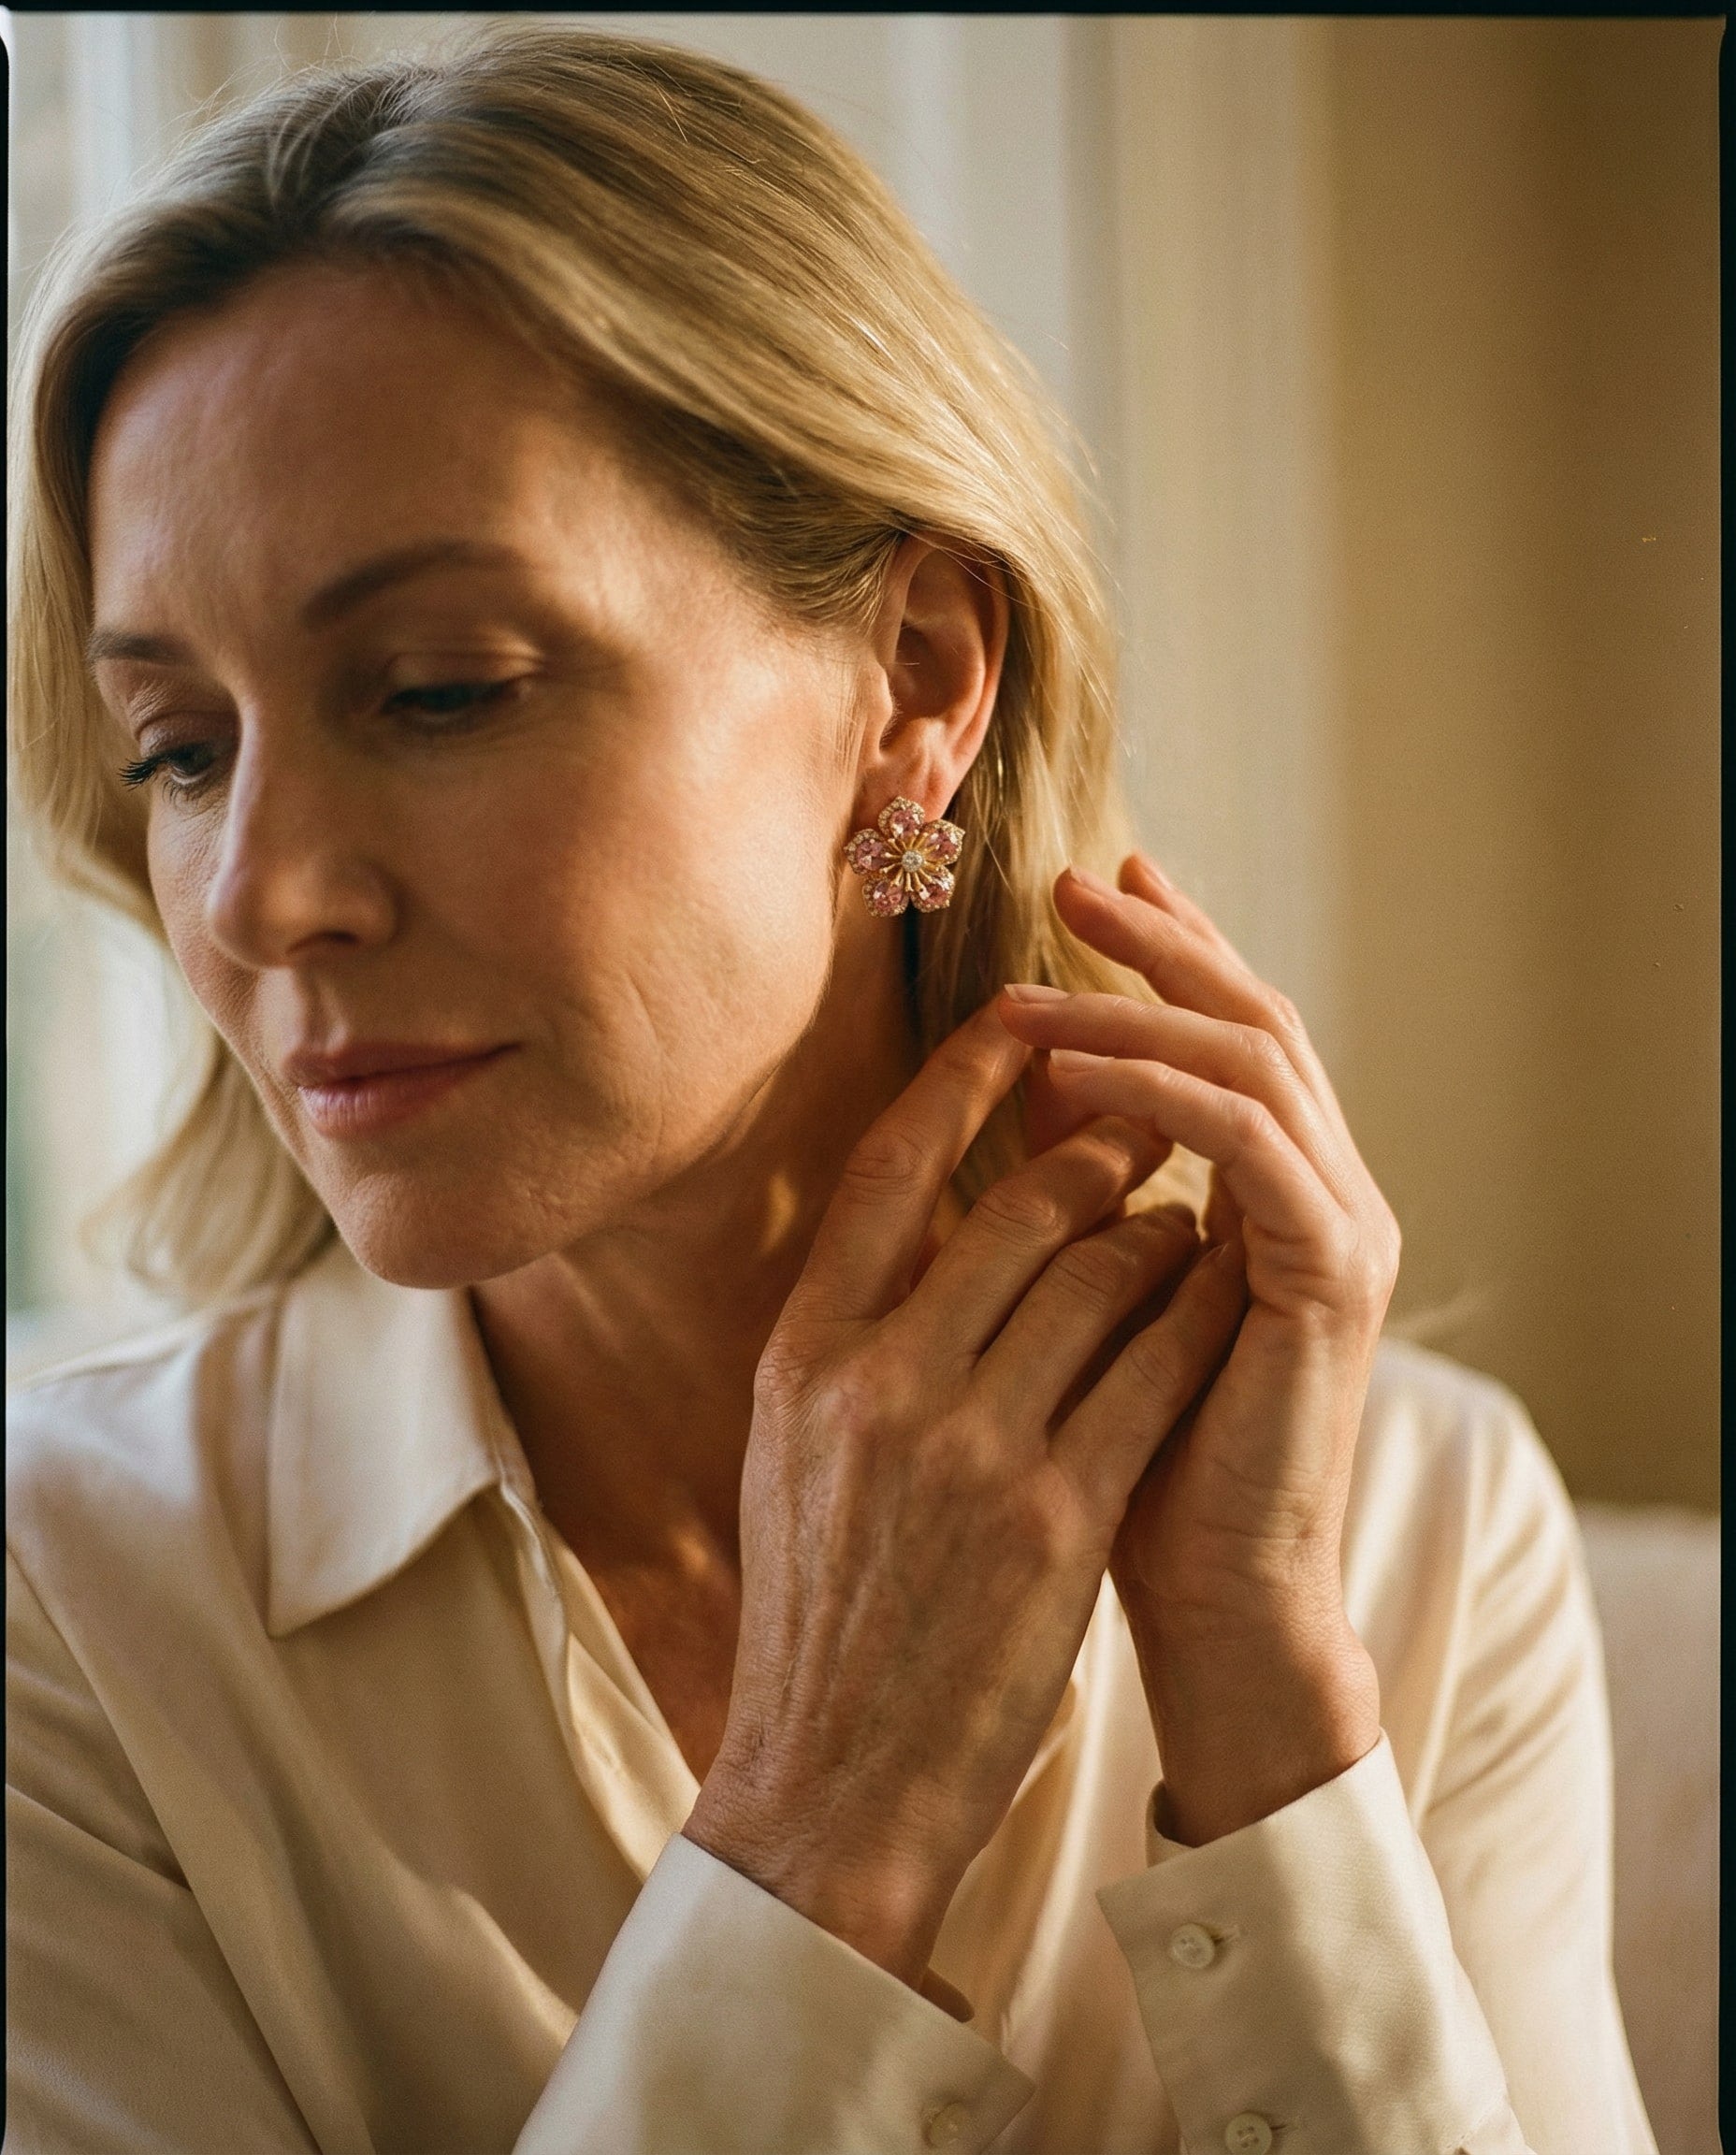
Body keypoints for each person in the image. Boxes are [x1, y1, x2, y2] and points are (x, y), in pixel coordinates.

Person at [5, 27, 1655, 2155]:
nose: (264, 894)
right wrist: (818, 1829)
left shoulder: (1423, 1531)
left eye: (439, 692)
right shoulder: (70, 1607)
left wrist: (1269, 1717)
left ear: (917, 688)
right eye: (179, 749)